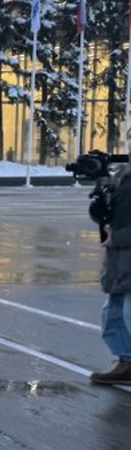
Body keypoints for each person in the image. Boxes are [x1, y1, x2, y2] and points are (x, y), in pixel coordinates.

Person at [92, 156, 131, 384]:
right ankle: (126, 362)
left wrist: (117, 238)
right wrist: (100, 202)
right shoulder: (122, 175)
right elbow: (110, 215)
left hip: (123, 252)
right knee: (114, 314)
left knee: (128, 313)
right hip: (119, 260)